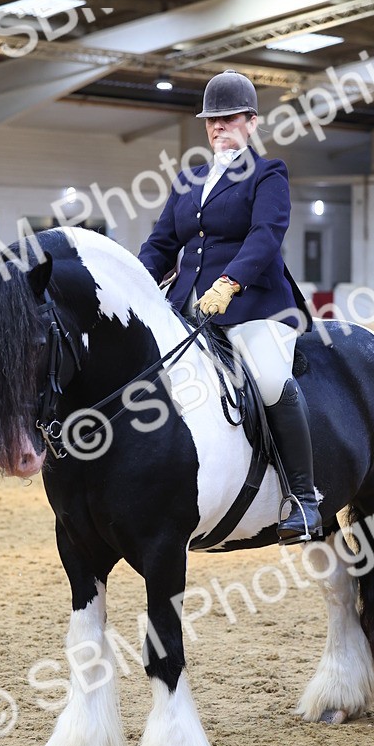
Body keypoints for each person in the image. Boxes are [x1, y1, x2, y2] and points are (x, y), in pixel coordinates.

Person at [137, 69, 321, 543]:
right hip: (186, 309)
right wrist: (135, 282)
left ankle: (303, 498)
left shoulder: (268, 174)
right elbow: (161, 244)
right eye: (211, 120)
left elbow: (265, 237)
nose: (218, 126)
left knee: (268, 379)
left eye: (229, 118)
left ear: (252, 121)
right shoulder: (188, 179)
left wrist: (229, 282)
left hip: (255, 307)